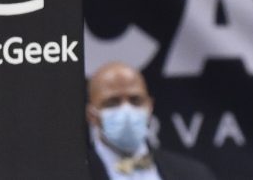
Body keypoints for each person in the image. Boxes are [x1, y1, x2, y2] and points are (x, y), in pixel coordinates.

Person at [87, 61, 215, 180]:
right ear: (92, 114)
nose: (126, 110)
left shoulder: (194, 174)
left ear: (149, 107)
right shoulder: (72, 173)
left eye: (135, 100)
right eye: (112, 102)